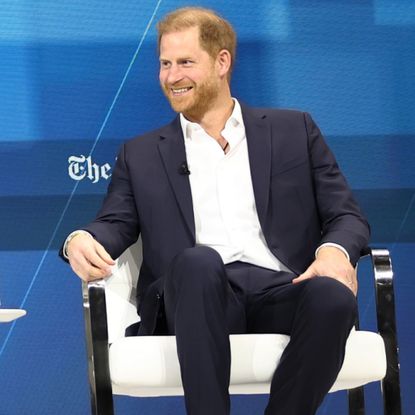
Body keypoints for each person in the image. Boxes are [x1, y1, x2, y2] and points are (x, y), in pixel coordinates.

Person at [61, 7, 370, 415]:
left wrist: (334, 251)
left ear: (222, 62)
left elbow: (346, 215)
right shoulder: (140, 154)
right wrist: (78, 240)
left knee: (332, 297)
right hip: (193, 295)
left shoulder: (295, 130)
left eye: (185, 62)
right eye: (165, 64)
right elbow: (114, 223)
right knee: (198, 262)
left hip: (280, 289)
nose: (172, 77)